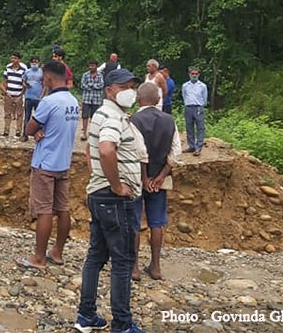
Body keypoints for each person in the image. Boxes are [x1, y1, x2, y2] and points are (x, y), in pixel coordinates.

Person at [76, 68, 147, 333]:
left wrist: (98, 176)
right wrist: (116, 185)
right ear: (109, 91)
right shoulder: (113, 117)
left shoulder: (101, 114)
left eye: (132, 86)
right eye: (123, 87)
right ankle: (122, 324)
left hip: (99, 194)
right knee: (123, 261)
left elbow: (90, 149)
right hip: (115, 200)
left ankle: (86, 315)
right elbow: (106, 149)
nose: (130, 91)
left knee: (96, 256)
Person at [17, 60, 79, 270]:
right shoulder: (73, 101)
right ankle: (57, 252)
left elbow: (29, 128)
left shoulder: (49, 102)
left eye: (44, 78)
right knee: (63, 208)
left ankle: (38, 258)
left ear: (49, 78)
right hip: (63, 163)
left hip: (45, 163)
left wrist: (35, 131)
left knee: (44, 210)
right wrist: (40, 131)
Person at [129, 82, 181, 282]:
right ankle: (156, 266)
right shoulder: (169, 120)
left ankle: (134, 267)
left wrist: (145, 178)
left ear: (138, 99)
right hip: (160, 179)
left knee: (134, 221)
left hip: (137, 179)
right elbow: (175, 152)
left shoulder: (134, 120)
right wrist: (161, 177)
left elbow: (139, 152)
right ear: (159, 99)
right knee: (157, 222)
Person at [181, 67, 207, 156]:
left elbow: (204, 98)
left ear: (199, 75)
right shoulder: (185, 86)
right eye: (192, 74)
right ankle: (191, 146)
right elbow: (184, 96)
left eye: (196, 74)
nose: (194, 75)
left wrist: (200, 106)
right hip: (188, 107)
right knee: (189, 127)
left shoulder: (202, 86)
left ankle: (198, 148)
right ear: (189, 74)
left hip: (198, 107)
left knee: (200, 128)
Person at [2, 52, 27, 138]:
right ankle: (6, 131)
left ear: (19, 59)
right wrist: (5, 92)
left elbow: (24, 82)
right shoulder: (8, 67)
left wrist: (22, 93)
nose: (13, 60)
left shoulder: (23, 68)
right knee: (7, 113)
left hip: (18, 94)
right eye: (12, 58)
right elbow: (5, 80)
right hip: (9, 93)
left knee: (19, 114)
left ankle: (18, 131)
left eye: (15, 58)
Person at [80, 60, 105, 142]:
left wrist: (91, 85)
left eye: (92, 65)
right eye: (90, 65)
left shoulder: (100, 75)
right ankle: (84, 132)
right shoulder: (85, 75)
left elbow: (101, 85)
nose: (91, 67)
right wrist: (94, 86)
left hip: (96, 99)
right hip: (86, 98)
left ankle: (93, 133)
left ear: (96, 66)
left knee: (94, 117)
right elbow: (83, 85)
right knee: (84, 116)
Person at [21, 56, 43, 143]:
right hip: (28, 97)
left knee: (39, 117)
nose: (34, 63)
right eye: (33, 62)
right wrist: (25, 85)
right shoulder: (27, 71)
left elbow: (45, 83)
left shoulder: (42, 72)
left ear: (39, 62)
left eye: (36, 62)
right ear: (30, 63)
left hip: (38, 97)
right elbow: (23, 81)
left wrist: (43, 96)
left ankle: (38, 135)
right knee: (27, 116)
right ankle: (25, 135)